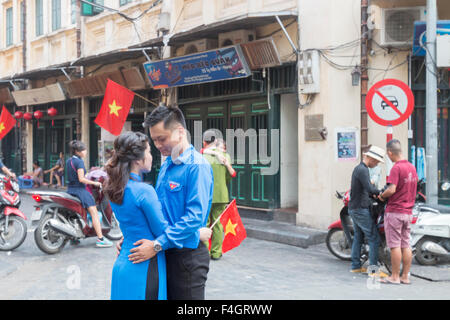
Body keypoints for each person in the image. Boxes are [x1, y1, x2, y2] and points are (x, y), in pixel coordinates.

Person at [116, 105, 214, 300]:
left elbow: (194, 218)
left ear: (179, 132)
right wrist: (135, 236)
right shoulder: (167, 165)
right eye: (154, 140)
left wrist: (157, 244)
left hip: (187, 258)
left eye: (162, 139)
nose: (158, 145)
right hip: (162, 254)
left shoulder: (197, 166)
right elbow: (158, 212)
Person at [378, 139, 418, 285]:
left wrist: (382, 196)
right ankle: (405, 277)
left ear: (390, 152)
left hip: (395, 211)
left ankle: (394, 276)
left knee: (394, 245)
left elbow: (392, 189)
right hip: (408, 212)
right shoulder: (412, 167)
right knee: (405, 244)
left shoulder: (396, 168)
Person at [66, 140, 112, 248]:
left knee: (75, 214)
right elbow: (81, 179)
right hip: (80, 191)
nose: (86, 152)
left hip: (70, 190)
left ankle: (74, 238)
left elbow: (77, 175)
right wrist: (95, 182)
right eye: (84, 150)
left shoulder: (69, 161)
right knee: (94, 212)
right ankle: (100, 239)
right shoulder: (80, 162)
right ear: (78, 151)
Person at [348, 145, 385, 274]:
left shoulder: (360, 169)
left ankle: (355, 266)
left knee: (358, 237)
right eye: (376, 161)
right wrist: (382, 192)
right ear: (369, 157)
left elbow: (366, 189)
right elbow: (370, 189)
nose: (376, 164)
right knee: (374, 238)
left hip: (355, 208)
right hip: (360, 209)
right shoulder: (362, 170)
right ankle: (373, 270)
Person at [202, 130, 236, 260]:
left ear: (204, 142)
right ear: (216, 141)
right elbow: (229, 176)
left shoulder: (201, 157)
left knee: (205, 223)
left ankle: (205, 251)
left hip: (206, 195)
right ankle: (216, 252)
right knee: (218, 225)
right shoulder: (225, 157)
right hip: (221, 195)